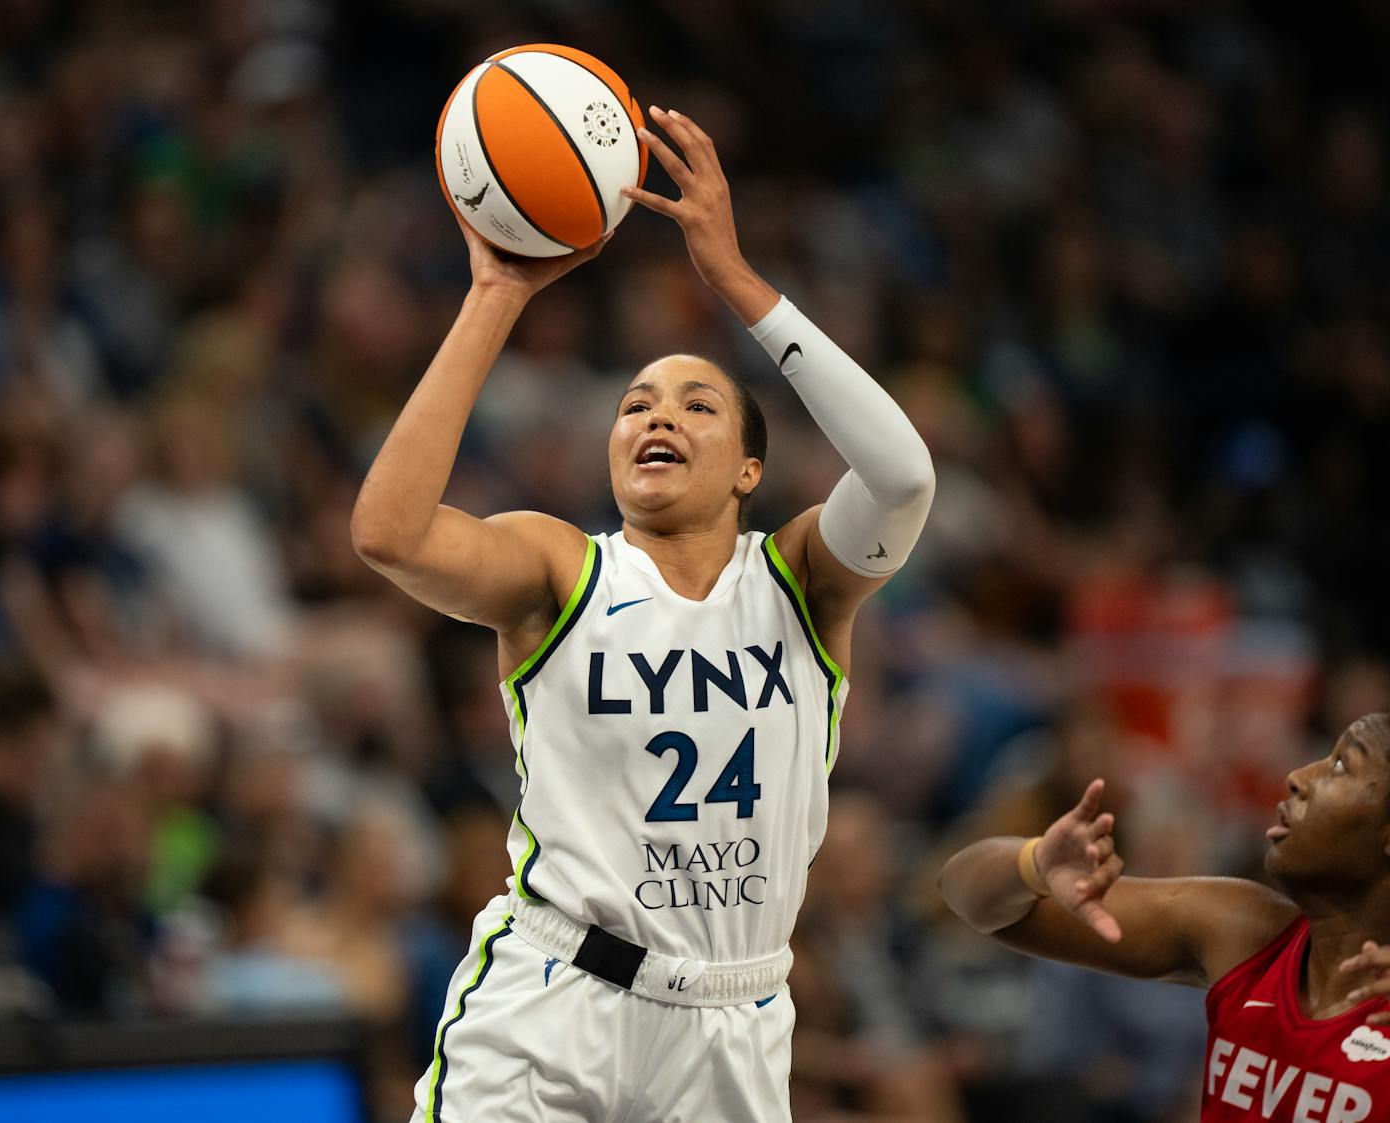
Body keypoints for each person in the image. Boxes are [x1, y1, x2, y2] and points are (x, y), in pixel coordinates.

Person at [351, 105, 936, 1122]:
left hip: (735, 1020)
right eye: (633, 403)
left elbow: (900, 475)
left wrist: (737, 283)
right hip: (552, 1003)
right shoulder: (559, 566)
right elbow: (389, 533)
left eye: (696, 403)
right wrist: (496, 292)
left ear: (751, 468)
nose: (656, 413)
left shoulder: (800, 578)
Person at [938, 711, 1390, 1123]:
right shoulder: (1240, 929)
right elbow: (963, 891)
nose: (1297, 777)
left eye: (1339, 766)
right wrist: (1034, 865)